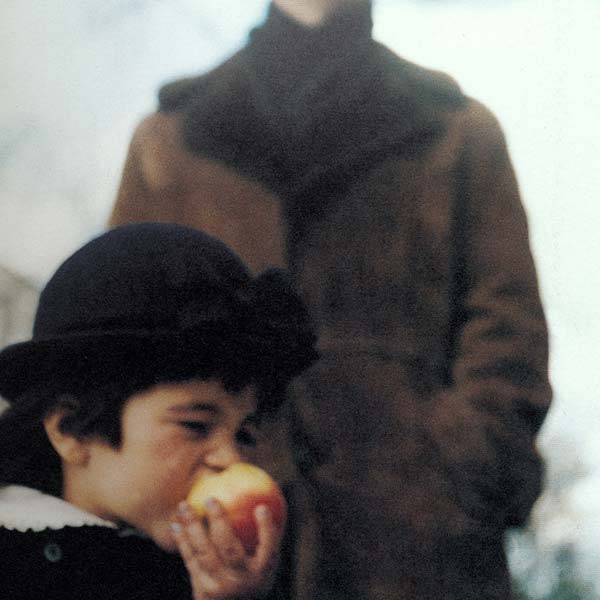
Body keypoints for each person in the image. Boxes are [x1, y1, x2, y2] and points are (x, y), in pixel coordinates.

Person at [109, 1, 553, 598]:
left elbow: (507, 334)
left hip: (416, 548)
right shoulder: (170, 138)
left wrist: (458, 471)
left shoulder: (458, 130)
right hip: (211, 544)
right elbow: (118, 340)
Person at [0, 222, 318, 600]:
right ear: (71, 430)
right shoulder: (17, 566)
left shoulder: (210, 571)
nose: (232, 459)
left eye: (244, 433)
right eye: (195, 425)